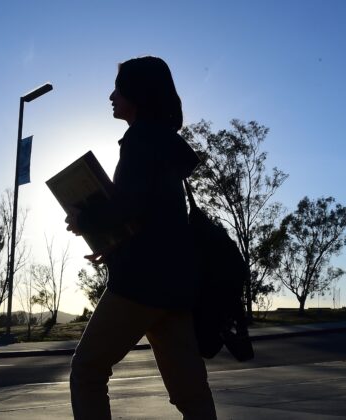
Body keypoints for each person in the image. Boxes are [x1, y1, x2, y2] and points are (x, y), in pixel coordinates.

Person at [66, 56, 217, 419]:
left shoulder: (140, 141)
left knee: (87, 371)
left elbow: (128, 207)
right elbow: (153, 214)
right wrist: (109, 241)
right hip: (174, 286)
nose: (111, 96)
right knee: (190, 392)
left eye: (118, 88)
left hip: (140, 284)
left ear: (137, 92)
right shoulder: (164, 142)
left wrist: (85, 218)